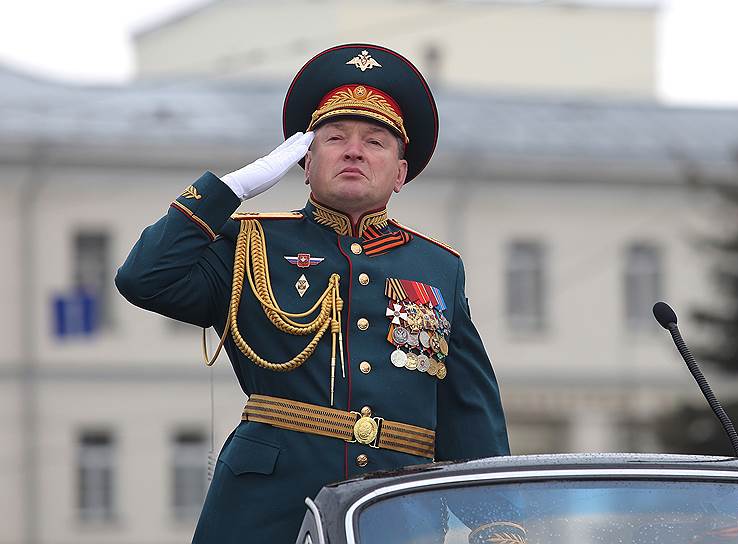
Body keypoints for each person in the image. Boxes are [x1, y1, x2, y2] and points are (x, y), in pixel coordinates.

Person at [115, 44, 523, 543]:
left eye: (375, 141)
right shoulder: (253, 243)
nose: (354, 150)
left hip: (395, 510)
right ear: (304, 163)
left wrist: (498, 525)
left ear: (400, 173)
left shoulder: (438, 267)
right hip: (267, 512)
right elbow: (143, 278)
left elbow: (469, 410)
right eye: (334, 138)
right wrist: (230, 189)